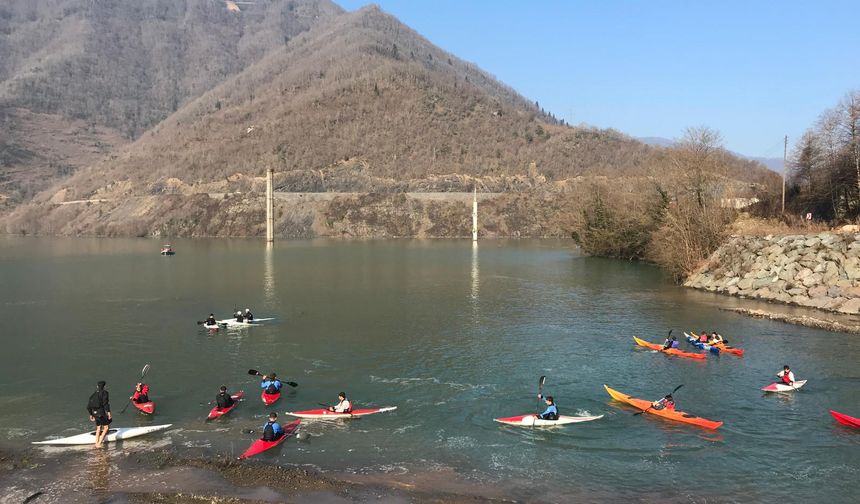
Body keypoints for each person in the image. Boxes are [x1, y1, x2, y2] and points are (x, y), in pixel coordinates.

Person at [86, 381, 111, 448]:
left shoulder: (93, 395)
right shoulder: (105, 393)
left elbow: (88, 406)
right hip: (101, 413)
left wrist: (91, 414)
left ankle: (96, 443)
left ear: (97, 386)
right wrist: (108, 413)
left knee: (98, 428)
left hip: (95, 413)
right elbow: (106, 404)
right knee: (106, 427)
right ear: (104, 386)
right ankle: (99, 444)